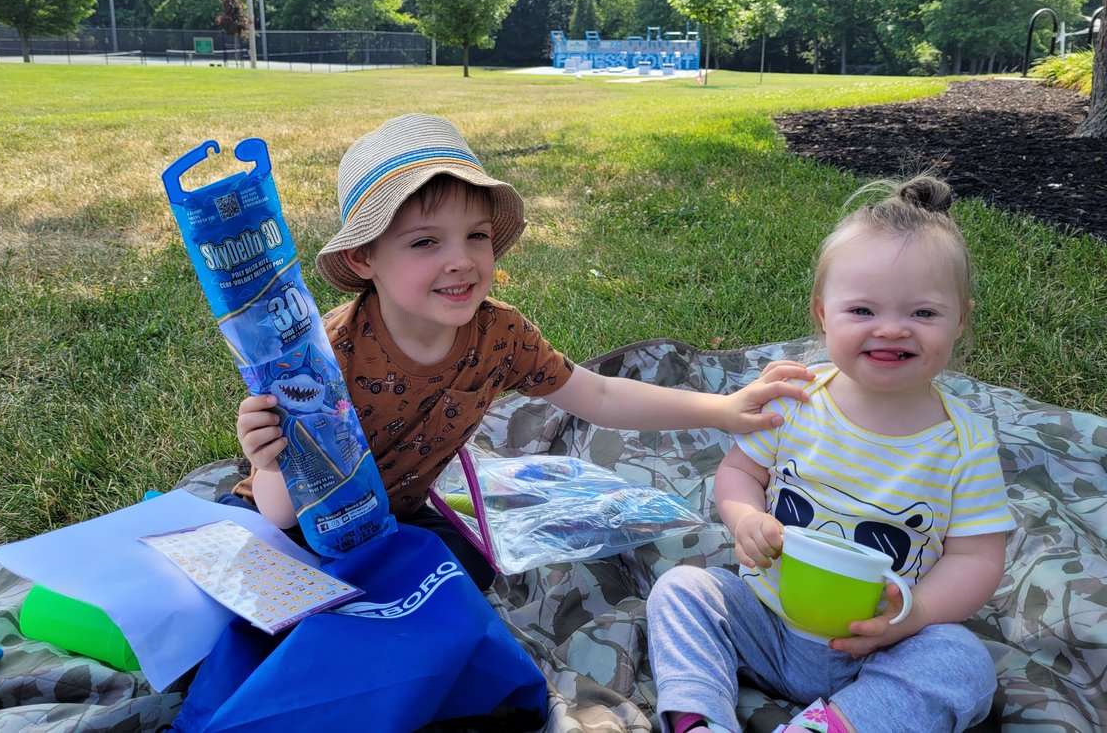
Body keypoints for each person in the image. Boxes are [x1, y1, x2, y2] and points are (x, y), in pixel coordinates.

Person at [232, 113, 813, 590]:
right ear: (363, 259)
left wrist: (722, 408)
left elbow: (600, 394)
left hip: (398, 519)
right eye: (425, 242)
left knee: (474, 572)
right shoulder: (322, 356)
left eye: (476, 236)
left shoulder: (498, 335)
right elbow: (280, 513)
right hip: (299, 527)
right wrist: (265, 462)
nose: (460, 260)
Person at [646, 174, 1016, 733]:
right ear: (823, 314)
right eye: (862, 311)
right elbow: (741, 471)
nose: (891, 330)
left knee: (964, 663)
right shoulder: (795, 400)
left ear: (960, 319)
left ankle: (834, 725)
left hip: (882, 647)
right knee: (682, 591)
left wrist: (914, 615)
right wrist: (745, 517)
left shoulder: (964, 444)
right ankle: (701, 720)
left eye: (923, 314)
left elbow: (977, 558)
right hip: (767, 619)